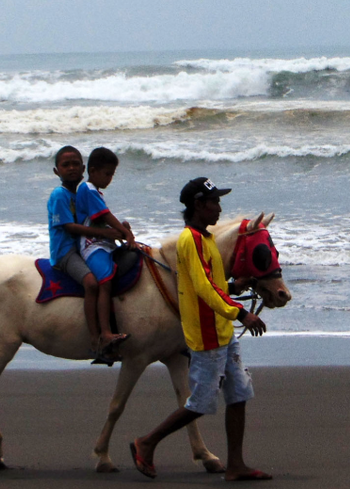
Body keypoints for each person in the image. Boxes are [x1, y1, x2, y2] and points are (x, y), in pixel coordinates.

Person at [129, 177, 272, 481]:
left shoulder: (205, 239)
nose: (220, 209)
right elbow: (204, 289)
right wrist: (241, 313)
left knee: (238, 393)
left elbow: (212, 284)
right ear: (198, 205)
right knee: (201, 403)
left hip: (222, 330)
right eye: (214, 202)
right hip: (207, 335)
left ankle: (235, 465)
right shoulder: (189, 240)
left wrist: (234, 286)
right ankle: (146, 442)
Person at [47, 146, 124, 358]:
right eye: (65, 165)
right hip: (66, 251)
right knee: (91, 283)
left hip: (83, 247)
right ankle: (96, 337)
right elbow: (70, 227)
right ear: (57, 171)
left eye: (75, 164)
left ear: (83, 168)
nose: (71, 168)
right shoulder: (60, 195)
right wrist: (109, 234)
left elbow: (96, 220)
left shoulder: (83, 193)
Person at [75, 147, 136, 358]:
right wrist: (124, 232)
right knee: (105, 281)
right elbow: (106, 216)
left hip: (103, 243)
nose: (110, 178)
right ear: (93, 170)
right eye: (107, 173)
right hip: (92, 246)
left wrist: (122, 229)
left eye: (112, 174)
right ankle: (105, 333)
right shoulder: (88, 189)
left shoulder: (95, 192)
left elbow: (104, 220)